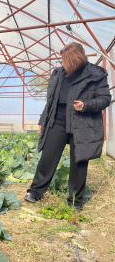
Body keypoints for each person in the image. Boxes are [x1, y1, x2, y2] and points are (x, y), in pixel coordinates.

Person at [24, 42, 111, 211]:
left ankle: (75, 202)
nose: (62, 63)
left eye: (65, 60)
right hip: (58, 120)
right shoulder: (58, 74)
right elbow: (51, 101)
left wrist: (86, 105)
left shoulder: (95, 74)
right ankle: (35, 192)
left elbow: (105, 99)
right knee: (48, 156)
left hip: (82, 122)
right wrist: (43, 121)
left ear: (74, 60)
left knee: (79, 161)